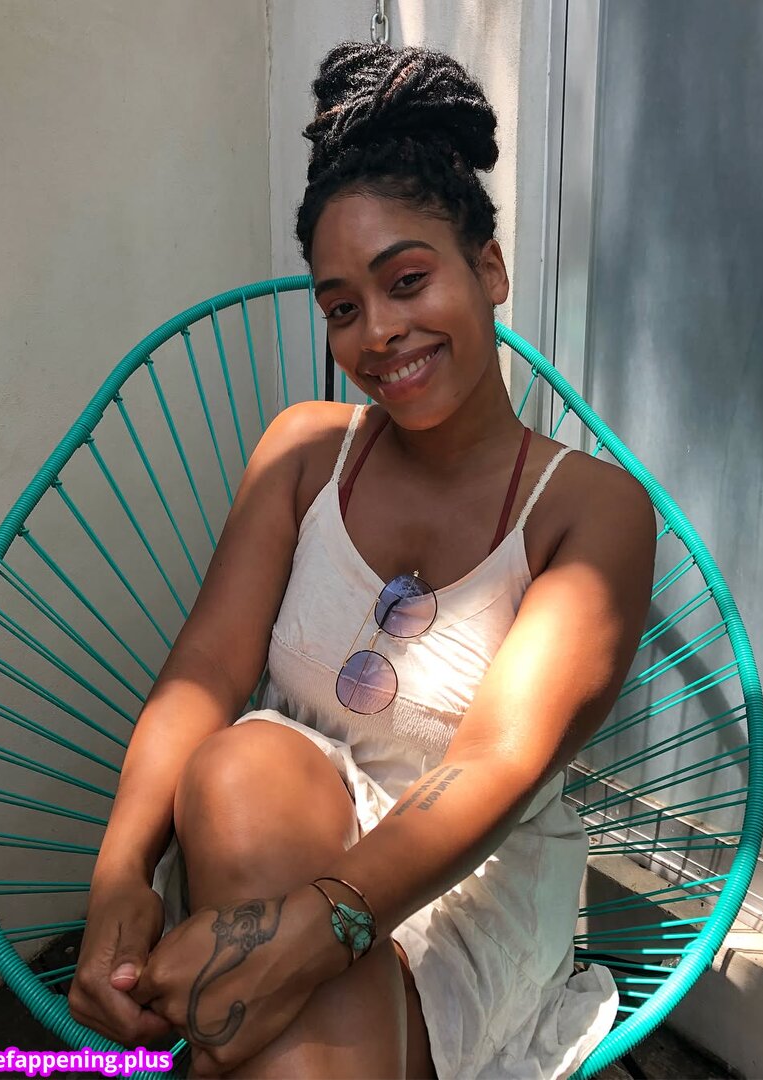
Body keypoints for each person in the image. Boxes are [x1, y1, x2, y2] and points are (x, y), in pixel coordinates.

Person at [68, 41, 656, 1079]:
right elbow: (204, 671)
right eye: (342, 306)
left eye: (407, 280)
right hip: (267, 841)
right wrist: (119, 874)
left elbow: (495, 762)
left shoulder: (590, 513)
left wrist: (315, 926)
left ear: (488, 269)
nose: (377, 332)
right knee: (243, 760)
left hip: (465, 886)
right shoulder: (303, 452)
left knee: (265, 1023)